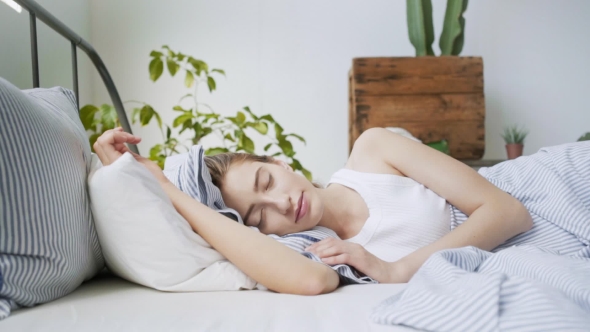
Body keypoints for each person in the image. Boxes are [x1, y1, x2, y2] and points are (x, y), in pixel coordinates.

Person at [93, 127, 590, 295]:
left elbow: (506, 211)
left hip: (556, 188)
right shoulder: (312, 252)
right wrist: (163, 190)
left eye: (266, 182)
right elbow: (311, 284)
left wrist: (398, 270)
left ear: (278, 161)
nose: (281, 204)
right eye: (260, 216)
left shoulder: (372, 151)